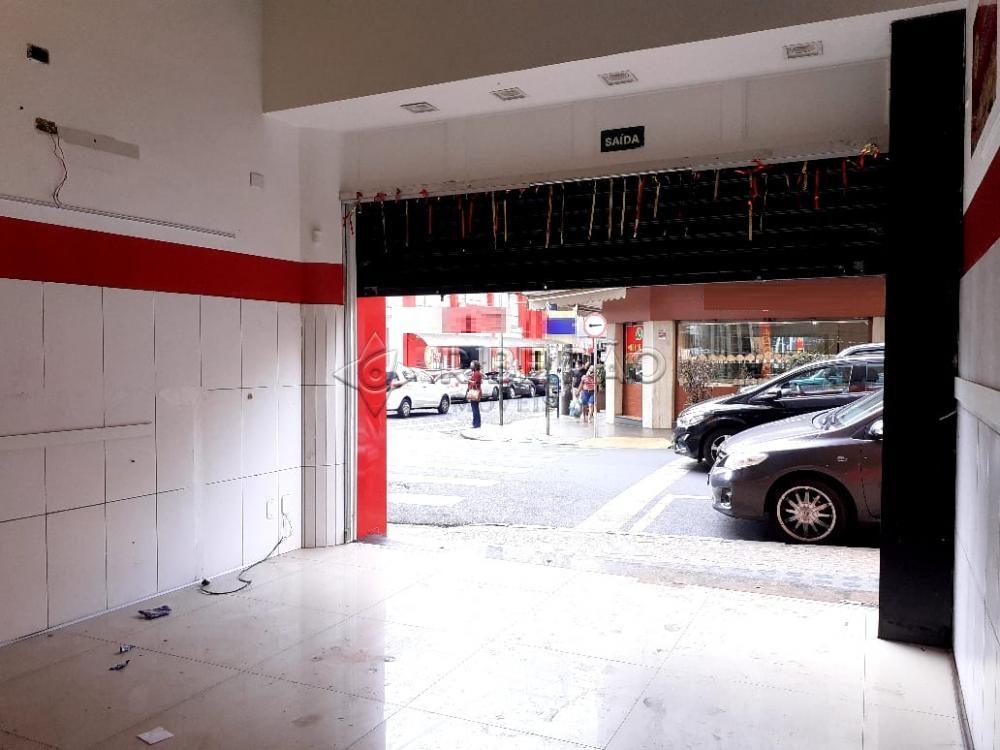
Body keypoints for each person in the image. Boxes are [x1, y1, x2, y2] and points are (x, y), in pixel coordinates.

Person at [466, 360, 483, 428]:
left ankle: (476, 424)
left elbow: (475, 383)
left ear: (475, 366)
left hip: (475, 392)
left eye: (472, 365)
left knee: (475, 409)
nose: (470, 366)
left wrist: (469, 381)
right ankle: (476, 423)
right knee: (475, 408)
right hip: (476, 391)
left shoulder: (476, 373)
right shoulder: (475, 373)